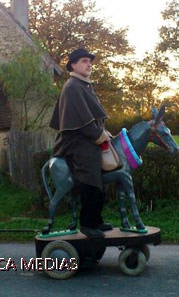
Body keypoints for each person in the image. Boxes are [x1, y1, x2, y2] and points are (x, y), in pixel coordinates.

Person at [49, 48, 112, 238]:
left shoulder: (83, 85)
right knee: (91, 167)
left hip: (85, 137)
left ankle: (97, 220)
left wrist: (102, 132)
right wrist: (98, 135)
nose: (89, 64)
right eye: (84, 61)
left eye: (90, 61)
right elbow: (82, 122)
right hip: (75, 142)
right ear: (74, 65)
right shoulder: (73, 86)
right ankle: (87, 224)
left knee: (103, 172)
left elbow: (91, 118)